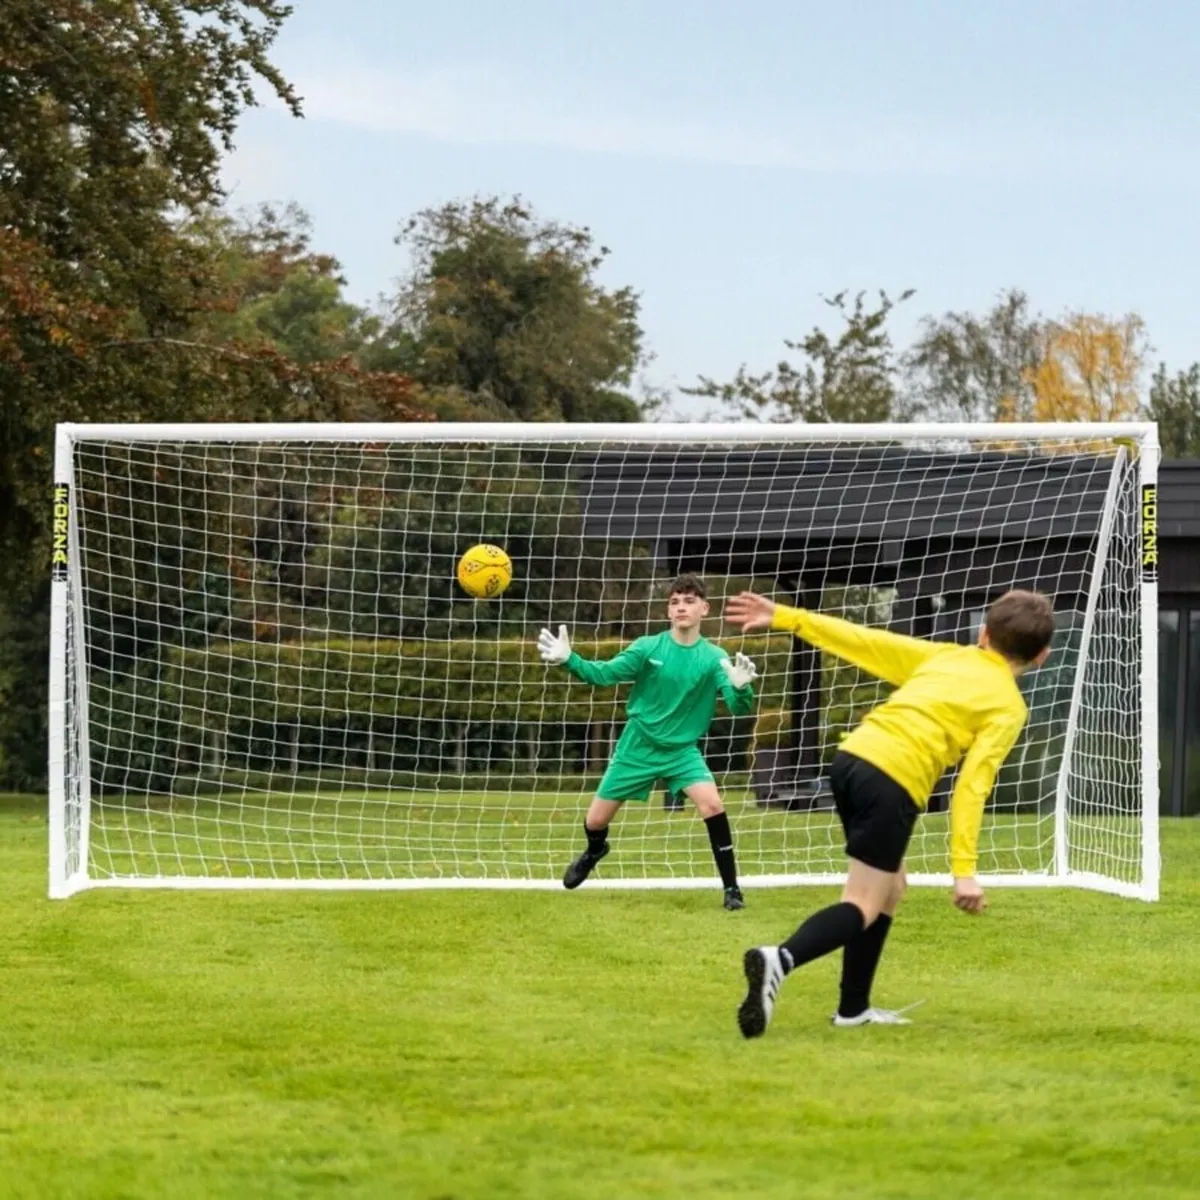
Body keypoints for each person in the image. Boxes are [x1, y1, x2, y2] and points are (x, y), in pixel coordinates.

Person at [724, 588, 1053, 1034]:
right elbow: (972, 788)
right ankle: (779, 959)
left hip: (850, 761)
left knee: (891, 887)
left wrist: (787, 616)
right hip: (892, 780)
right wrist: (964, 871)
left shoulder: (947, 657)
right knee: (863, 901)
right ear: (1042, 656)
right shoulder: (1008, 706)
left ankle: (853, 1009)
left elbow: (864, 640)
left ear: (983, 634)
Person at [536, 574, 758, 910]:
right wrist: (570, 659)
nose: (681, 607)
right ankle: (596, 850)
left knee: (712, 804)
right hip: (637, 746)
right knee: (595, 822)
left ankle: (732, 890)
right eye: (674, 601)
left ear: (705, 609)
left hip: (682, 752)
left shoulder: (715, 658)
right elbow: (603, 674)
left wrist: (742, 688)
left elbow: (739, 705)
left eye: (689, 600)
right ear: (668, 611)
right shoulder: (647, 647)